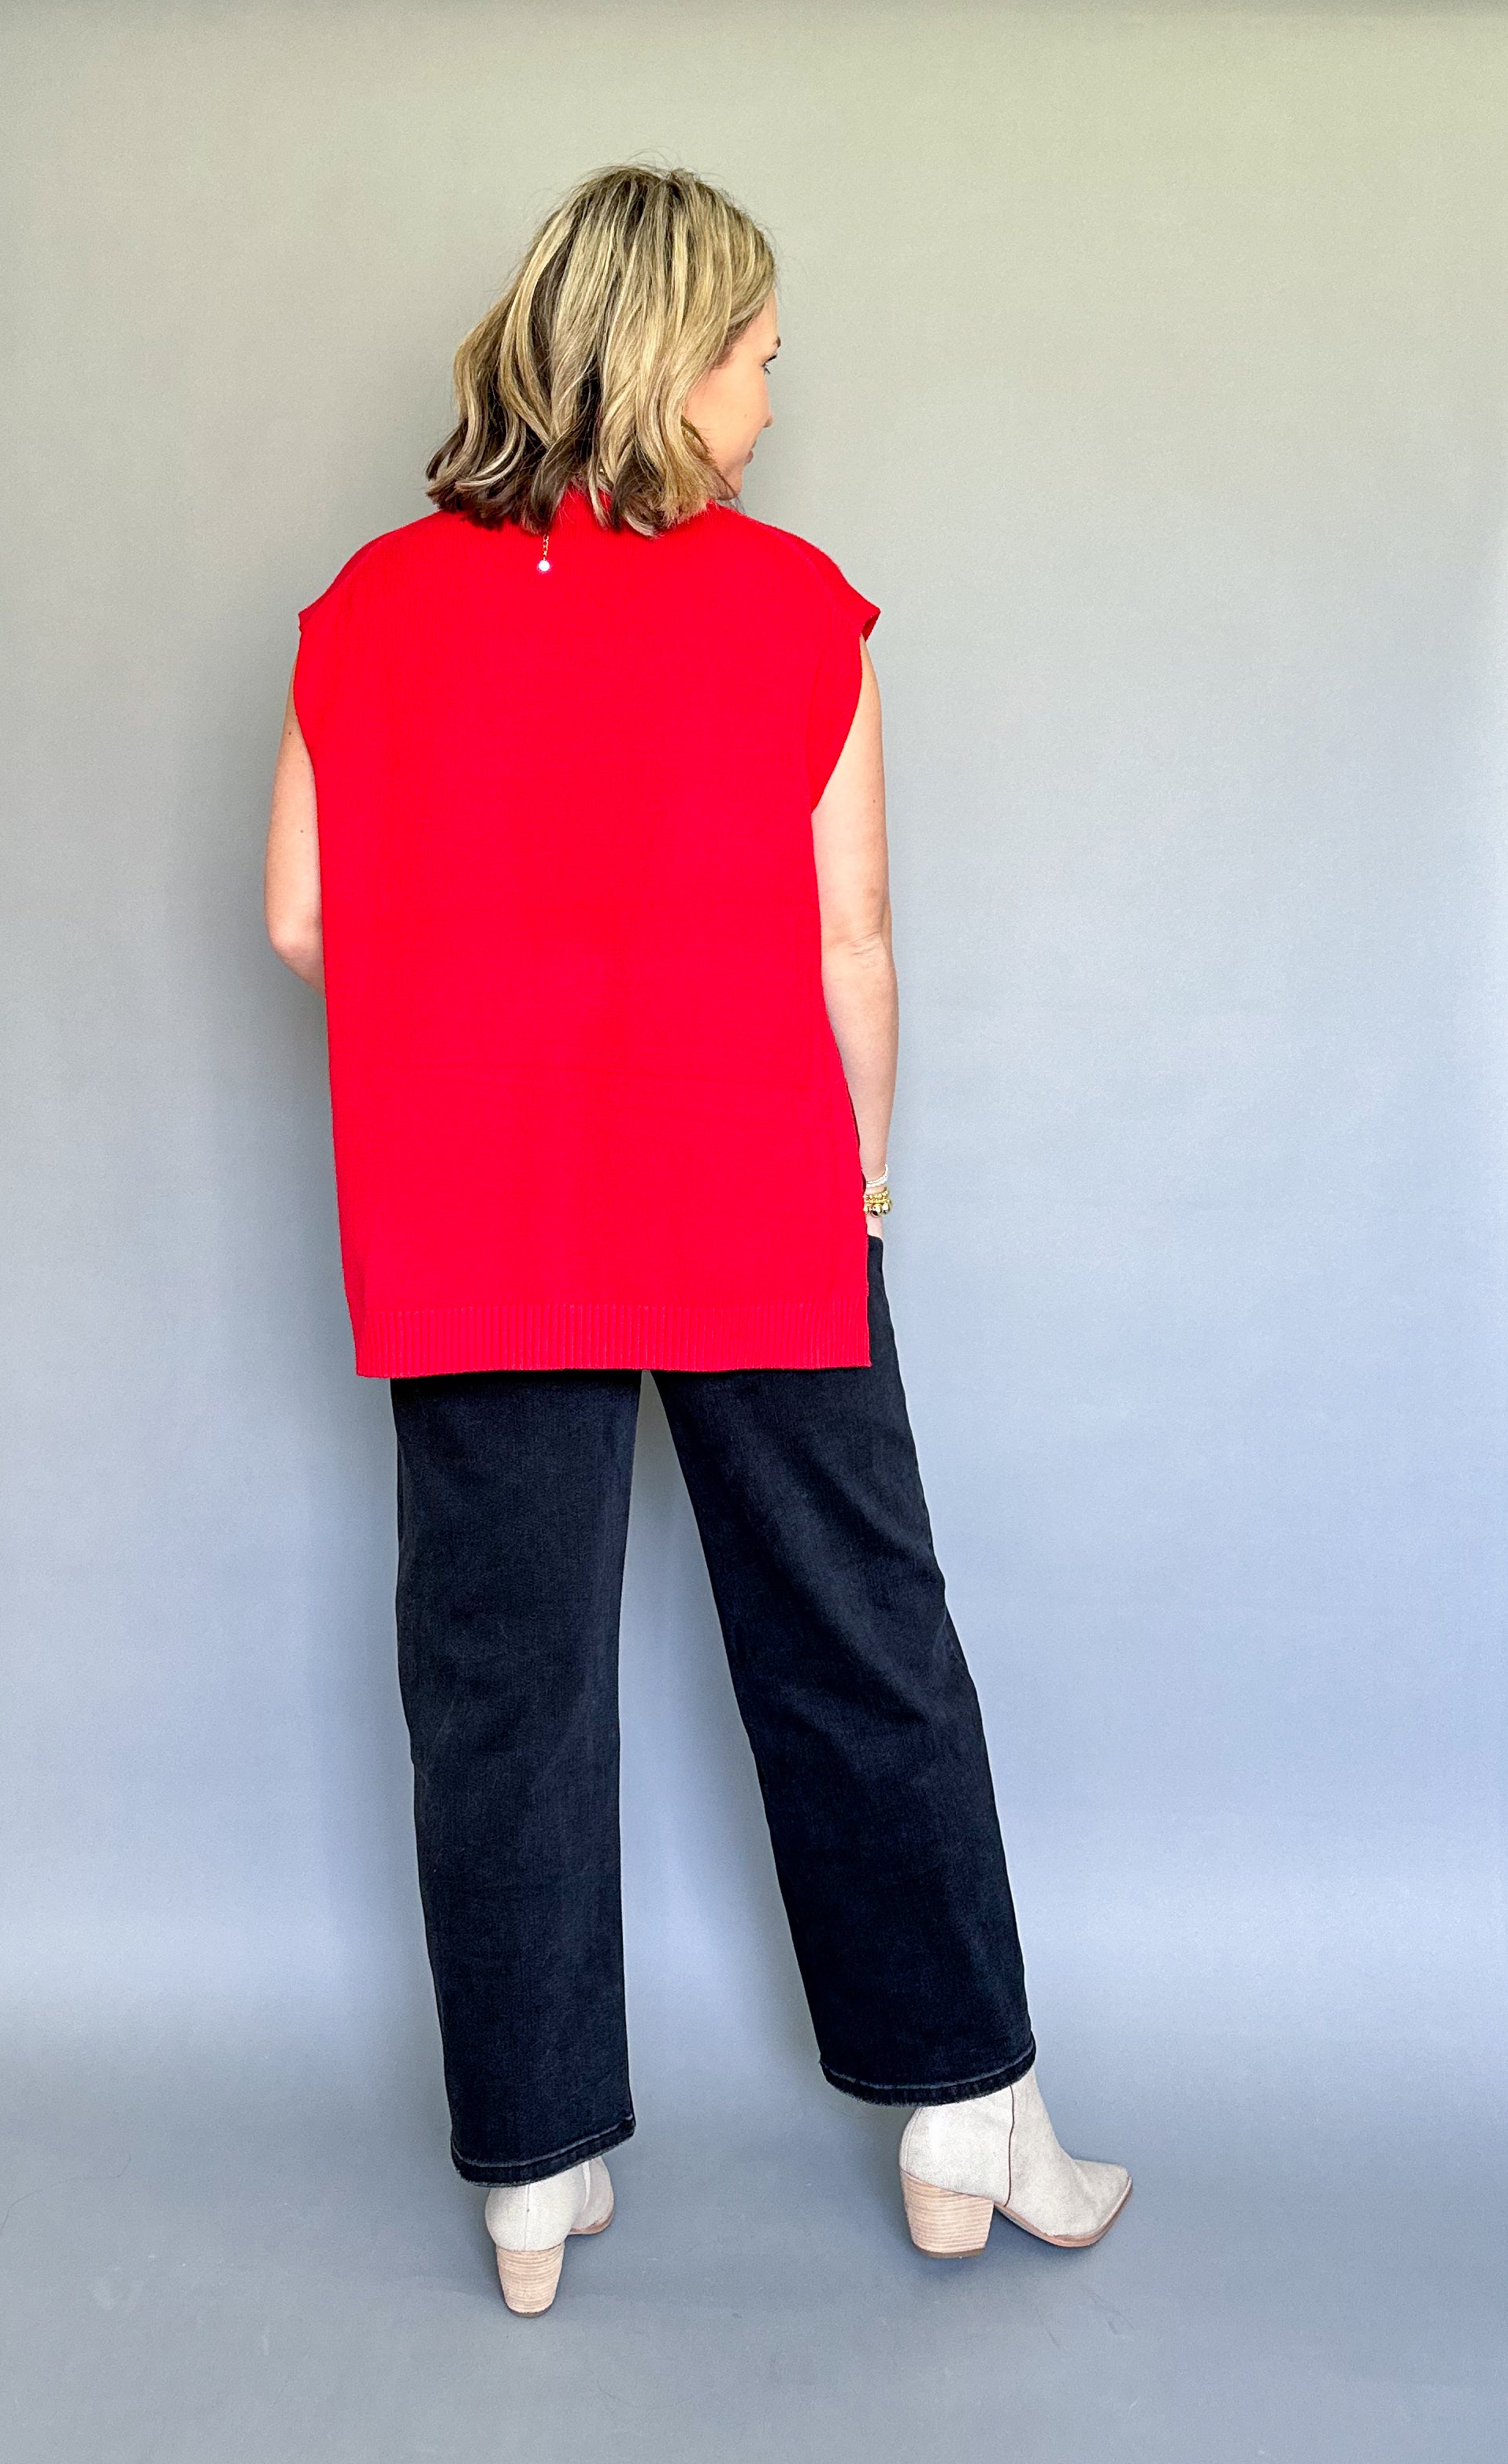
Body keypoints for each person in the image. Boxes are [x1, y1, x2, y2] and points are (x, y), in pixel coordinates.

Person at [265, 163, 1129, 2316]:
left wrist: (484, 1018)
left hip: (477, 1200)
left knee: (503, 1682)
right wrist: (864, 1175)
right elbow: (856, 939)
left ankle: (534, 2172)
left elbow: (300, 918)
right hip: (751, 1178)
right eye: (753, 360)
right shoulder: (793, 603)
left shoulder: (368, 606)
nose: (766, 401)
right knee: (858, 1642)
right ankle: (965, 2113)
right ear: (668, 365)